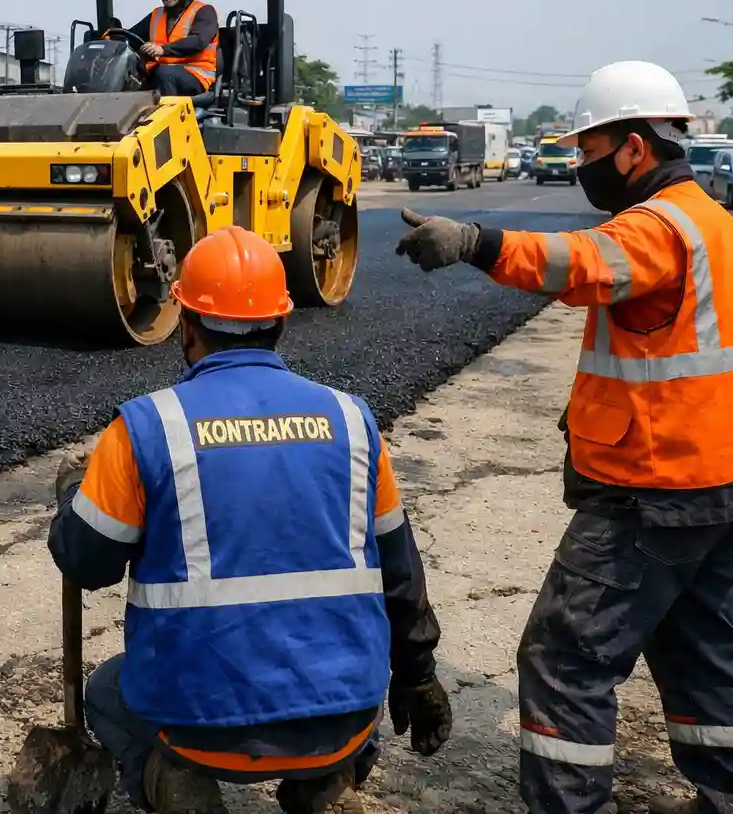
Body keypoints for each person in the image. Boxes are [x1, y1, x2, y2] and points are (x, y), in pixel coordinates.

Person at [394, 60, 733, 814]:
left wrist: (474, 241)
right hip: (729, 479)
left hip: (657, 488)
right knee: (702, 651)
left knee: (565, 660)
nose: (580, 165)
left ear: (634, 148)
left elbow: (579, 263)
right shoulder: (710, 220)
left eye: (590, 150)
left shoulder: (657, 226)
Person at [49, 225, 451, 814]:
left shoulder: (147, 428)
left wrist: (71, 499)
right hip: (339, 717)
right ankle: (325, 785)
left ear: (186, 326)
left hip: (195, 724)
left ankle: (178, 786)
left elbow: (87, 561)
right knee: (340, 707)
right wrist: (418, 674)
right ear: (280, 322)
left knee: (108, 691)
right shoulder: (352, 421)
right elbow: (401, 570)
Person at [126, 0, 219, 98]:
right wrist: (109, 40)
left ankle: (167, 112)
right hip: (162, 73)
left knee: (164, 73)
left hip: (197, 75)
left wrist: (163, 50)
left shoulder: (204, 12)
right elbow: (131, 36)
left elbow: (198, 41)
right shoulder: (156, 15)